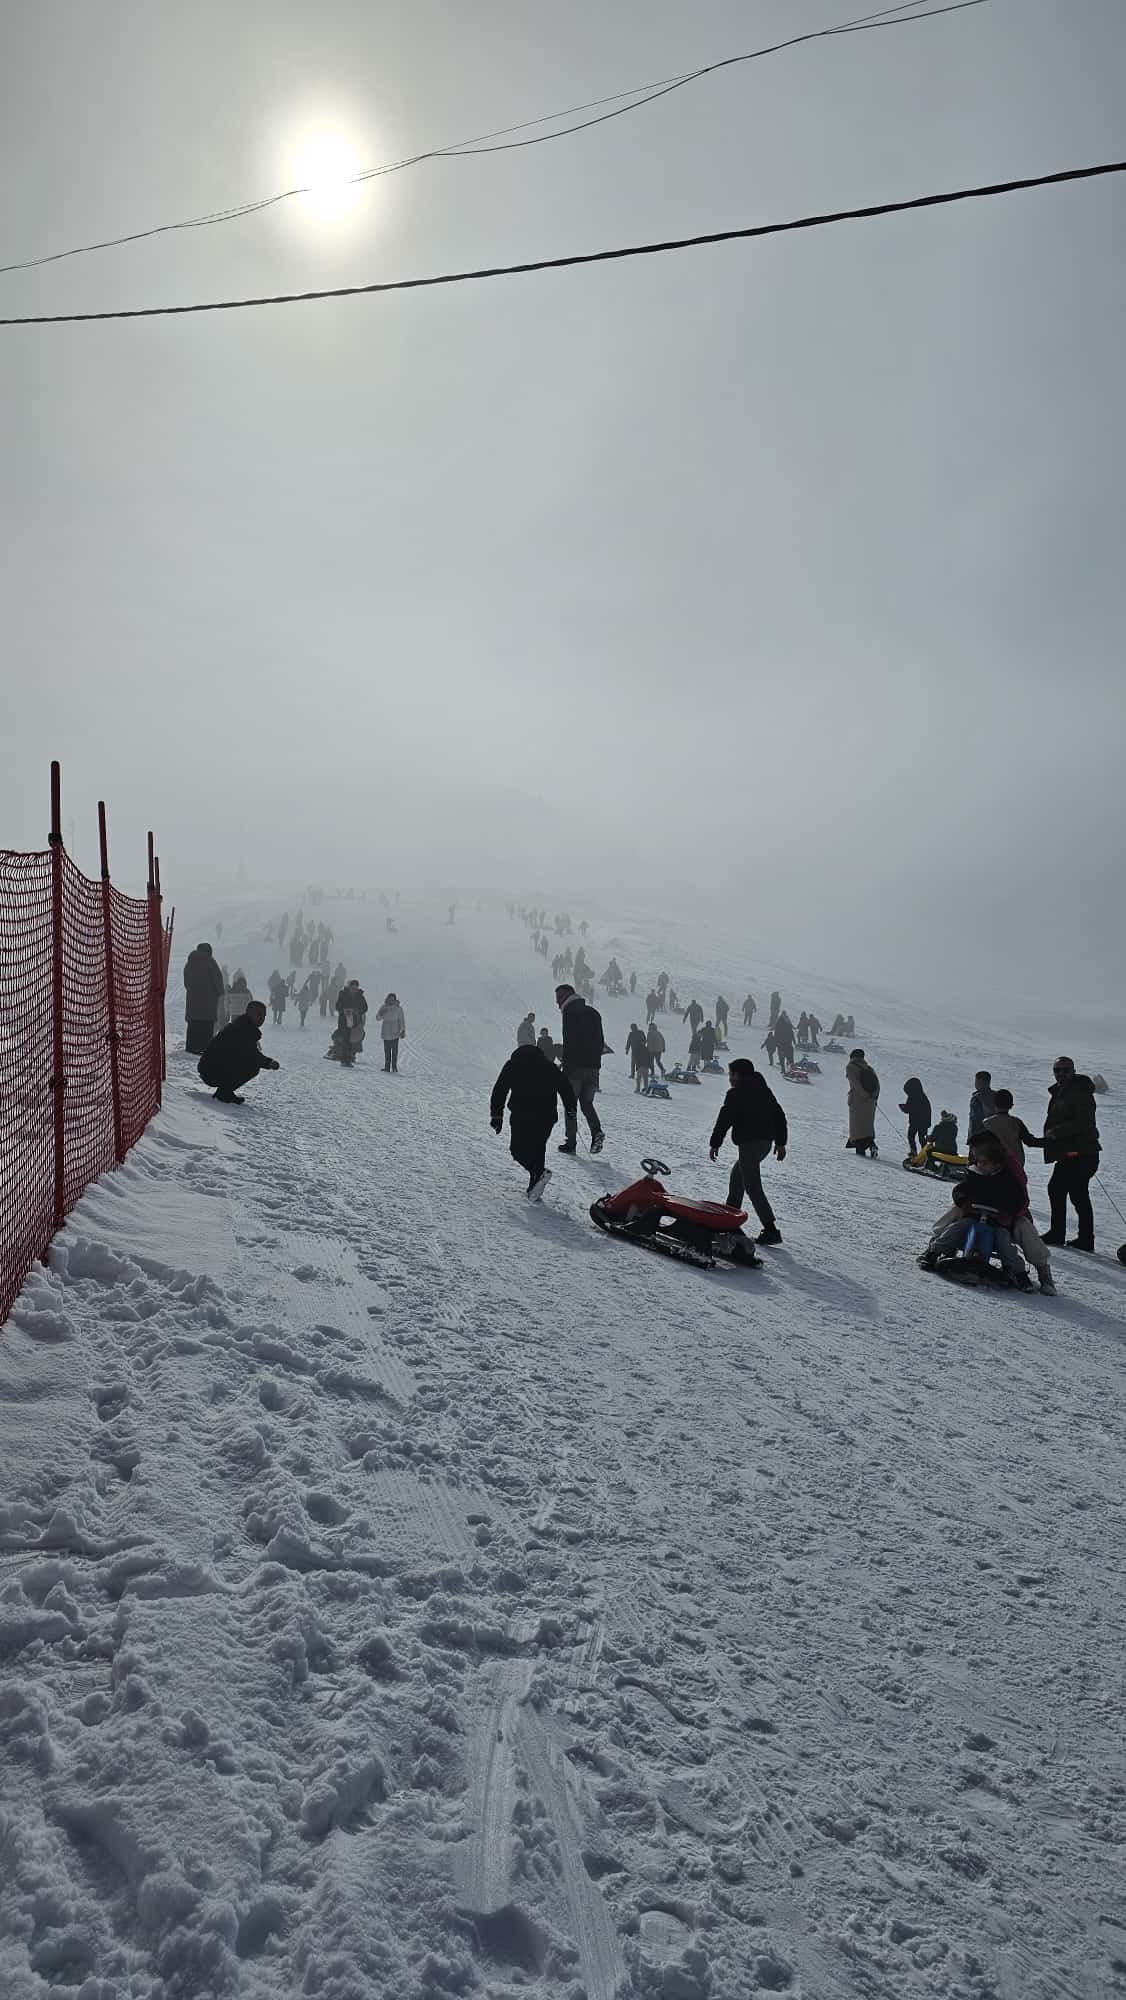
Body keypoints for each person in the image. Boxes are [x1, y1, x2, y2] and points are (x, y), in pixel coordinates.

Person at [918, 1132, 1030, 1284]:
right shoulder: (974, 1175)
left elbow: (1018, 1199)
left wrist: (1007, 1213)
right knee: (955, 1229)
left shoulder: (1008, 1180)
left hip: (996, 1221)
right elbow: (960, 1190)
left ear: (996, 1164)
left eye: (984, 1163)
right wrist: (964, 1202)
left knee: (1004, 1242)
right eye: (979, 1162)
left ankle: (1019, 1273)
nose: (979, 1165)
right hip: (973, 1215)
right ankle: (933, 1253)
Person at [709, 1057, 787, 1245]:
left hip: (750, 1145)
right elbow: (779, 1114)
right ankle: (728, 1221)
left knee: (752, 1186)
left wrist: (715, 1143)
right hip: (764, 1144)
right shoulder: (763, 1090)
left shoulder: (736, 1094)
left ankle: (770, 1229)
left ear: (738, 1074)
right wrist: (780, 1142)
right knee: (738, 1177)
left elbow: (725, 1119)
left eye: (731, 1074)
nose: (729, 1078)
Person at [491, 1044, 577, 1200]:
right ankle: (535, 1182)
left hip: (521, 1115)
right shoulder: (548, 1066)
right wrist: (570, 1108)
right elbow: (565, 1086)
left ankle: (536, 1176)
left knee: (517, 1150)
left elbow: (500, 1089)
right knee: (538, 1148)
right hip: (546, 1116)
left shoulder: (513, 1065)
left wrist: (497, 1116)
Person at [1041, 1057, 1101, 1252]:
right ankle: (1085, 1239)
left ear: (1073, 1071)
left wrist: (1057, 1131)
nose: (1060, 1074)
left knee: (1058, 1188)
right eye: (1057, 1070)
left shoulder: (1079, 1092)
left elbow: (1084, 1122)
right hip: (1074, 1152)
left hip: (1081, 1153)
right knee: (1077, 1193)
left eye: (1065, 1070)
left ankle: (1059, 1233)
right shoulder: (1062, 1092)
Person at [554, 983, 607, 1154]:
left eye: (558, 999)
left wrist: (566, 1069)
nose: (557, 1004)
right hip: (593, 1068)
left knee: (571, 1105)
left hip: (575, 1068)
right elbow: (600, 1042)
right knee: (587, 1103)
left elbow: (571, 1042)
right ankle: (596, 1132)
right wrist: (595, 1064)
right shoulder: (594, 1013)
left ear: (565, 997)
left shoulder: (570, 1013)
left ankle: (571, 1143)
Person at [197, 1001, 280, 1104]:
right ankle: (224, 1093)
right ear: (249, 1013)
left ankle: (225, 1091)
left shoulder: (243, 1026)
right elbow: (252, 1055)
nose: (261, 1018)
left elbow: (249, 1053)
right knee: (252, 1067)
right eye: (258, 1014)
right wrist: (268, 1063)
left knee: (249, 1063)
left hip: (210, 1069)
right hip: (211, 1072)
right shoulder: (242, 1029)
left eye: (264, 1015)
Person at [183, 942, 225, 1056]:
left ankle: (191, 1048)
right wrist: (219, 992)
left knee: (193, 1027)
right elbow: (219, 983)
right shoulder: (211, 962)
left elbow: (186, 983)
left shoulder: (190, 963)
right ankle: (204, 1048)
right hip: (208, 1005)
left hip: (193, 1004)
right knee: (206, 1028)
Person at [846, 1049, 880, 1157]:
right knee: (868, 1126)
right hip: (871, 1102)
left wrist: (865, 1096)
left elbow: (855, 1084)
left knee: (858, 1127)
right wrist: (873, 1097)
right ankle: (872, 1144)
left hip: (858, 1101)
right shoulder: (869, 1068)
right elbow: (877, 1084)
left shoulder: (851, 1067)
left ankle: (860, 1152)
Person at [899, 1078, 933, 1156]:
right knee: (922, 1139)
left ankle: (914, 1151)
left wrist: (903, 1108)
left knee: (911, 1136)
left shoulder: (912, 1097)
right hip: (923, 1123)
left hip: (915, 1122)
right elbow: (927, 1111)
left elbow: (909, 1109)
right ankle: (925, 1154)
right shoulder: (923, 1097)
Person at [377, 992, 406, 1072]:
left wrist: (402, 1030)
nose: (391, 1001)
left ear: (395, 1000)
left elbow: (401, 1020)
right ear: (387, 999)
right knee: (387, 1051)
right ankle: (387, 1066)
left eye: (392, 999)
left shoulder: (398, 1008)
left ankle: (394, 1067)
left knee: (394, 1051)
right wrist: (382, 1012)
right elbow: (378, 1018)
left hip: (395, 1032)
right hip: (385, 1031)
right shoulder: (383, 1007)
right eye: (390, 999)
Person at [968, 1070, 997, 1140]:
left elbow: (975, 1119)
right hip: (996, 1136)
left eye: (976, 1081)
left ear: (979, 1082)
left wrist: (971, 1138)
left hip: (979, 1138)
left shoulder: (977, 1098)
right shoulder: (997, 1096)